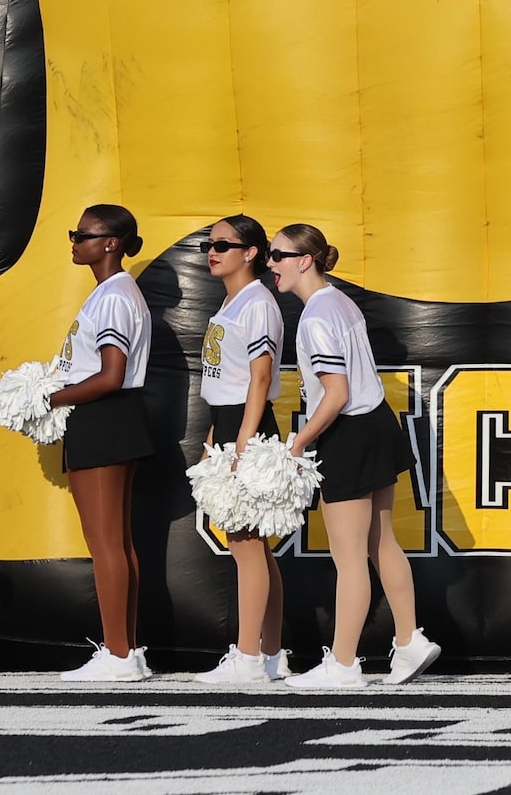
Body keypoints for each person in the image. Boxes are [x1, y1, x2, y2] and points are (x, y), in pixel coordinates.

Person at [277, 222, 438, 689]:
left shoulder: (316, 315)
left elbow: (336, 392)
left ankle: (344, 663)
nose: (271, 263)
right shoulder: (339, 302)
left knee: (349, 558)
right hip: (376, 426)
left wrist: (300, 441)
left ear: (304, 260)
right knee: (381, 542)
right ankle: (409, 641)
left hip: (347, 432)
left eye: (278, 255)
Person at [42, 203, 159, 684]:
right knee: (118, 542)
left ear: (110, 242)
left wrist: (48, 396)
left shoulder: (113, 296)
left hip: (105, 417)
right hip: (112, 419)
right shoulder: (113, 293)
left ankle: (118, 654)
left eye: (82, 234)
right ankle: (125, 650)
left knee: (106, 543)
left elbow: (110, 375)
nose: (74, 241)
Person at [188, 214, 289, 686]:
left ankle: (248, 657)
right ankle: (270, 653)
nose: (213, 251)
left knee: (245, 545)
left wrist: (243, 443)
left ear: (250, 252)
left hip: (246, 426)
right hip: (228, 423)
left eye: (223, 245)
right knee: (254, 549)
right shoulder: (232, 301)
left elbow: (261, 376)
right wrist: (215, 437)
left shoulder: (257, 302)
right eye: (209, 244)